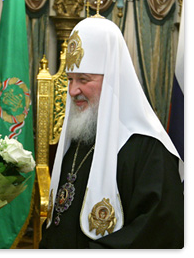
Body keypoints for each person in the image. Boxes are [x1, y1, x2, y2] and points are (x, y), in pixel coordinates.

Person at [40, 17, 183, 248]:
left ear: (112, 81)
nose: (73, 90)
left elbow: (161, 229)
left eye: (84, 79)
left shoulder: (148, 148)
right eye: (70, 79)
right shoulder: (78, 137)